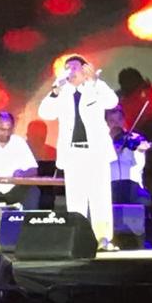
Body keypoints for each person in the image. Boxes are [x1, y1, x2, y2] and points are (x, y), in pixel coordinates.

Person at [38, 54, 119, 251]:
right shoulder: (62, 93)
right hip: (73, 153)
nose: (70, 71)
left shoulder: (94, 88)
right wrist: (55, 92)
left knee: (100, 197)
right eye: (67, 68)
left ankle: (103, 239)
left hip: (96, 152)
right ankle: (78, 238)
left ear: (84, 70)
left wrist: (95, 82)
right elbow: (45, 113)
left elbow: (112, 102)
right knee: (76, 199)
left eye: (74, 67)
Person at [106, 106, 152, 247]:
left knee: (137, 195)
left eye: (119, 120)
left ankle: (144, 238)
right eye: (112, 120)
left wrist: (141, 146)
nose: (116, 124)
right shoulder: (102, 141)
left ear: (124, 120)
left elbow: (140, 149)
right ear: (106, 122)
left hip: (132, 185)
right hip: (109, 185)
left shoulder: (133, 138)